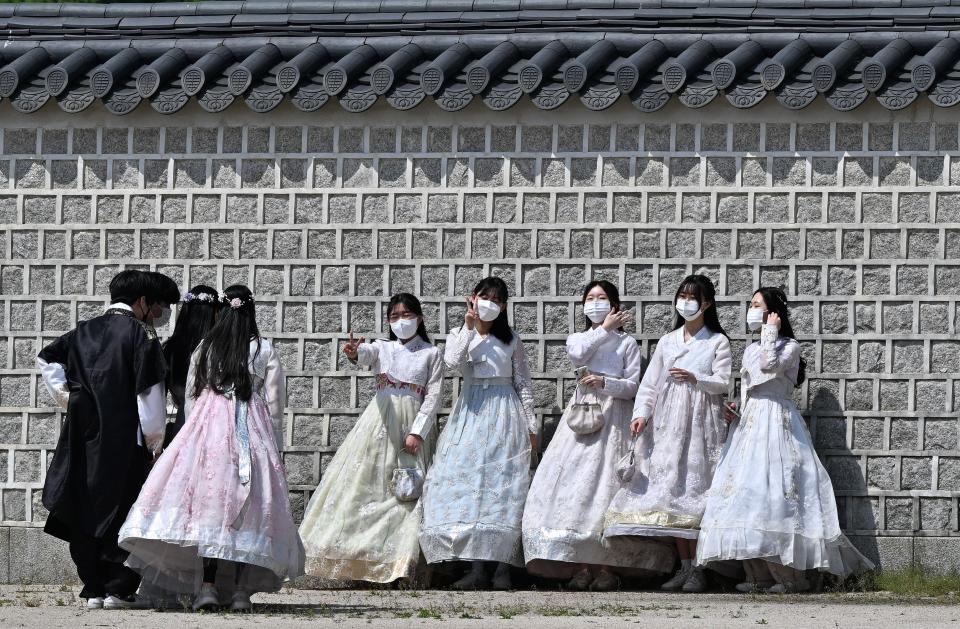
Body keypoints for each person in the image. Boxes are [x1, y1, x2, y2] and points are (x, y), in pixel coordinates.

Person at [119, 285, 304, 612]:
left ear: (224, 312)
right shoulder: (263, 349)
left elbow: (191, 396)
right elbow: (275, 405)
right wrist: (274, 448)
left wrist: (195, 435)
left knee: (210, 505)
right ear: (250, 312)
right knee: (251, 505)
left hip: (210, 429)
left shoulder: (205, 346)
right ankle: (241, 593)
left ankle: (206, 586)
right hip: (252, 428)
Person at [696, 287, 874, 592]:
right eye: (749, 304)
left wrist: (771, 332)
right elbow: (751, 384)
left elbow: (770, 366)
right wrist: (735, 407)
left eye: (756, 305)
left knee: (778, 492)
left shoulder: (790, 346)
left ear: (773, 313)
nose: (750, 310)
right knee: (748, 494)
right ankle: (758, 574)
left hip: (777, 421)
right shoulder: (750, 349)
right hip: (750, 425)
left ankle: (791, 577)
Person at [36, 269, 178, 610]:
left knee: (85, 505)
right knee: (125, 509)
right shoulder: (141, 336)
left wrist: (71, 398)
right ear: (142, 302)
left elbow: (46, 358)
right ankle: (119, 588)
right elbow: (149, 397)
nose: (159, 314)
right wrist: (155, 443)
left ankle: (93, 588)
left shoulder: (84, 330)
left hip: (82, 438)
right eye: (156, 305)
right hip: (124, 441)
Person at [523, 280, 675, 591]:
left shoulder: (627, 344)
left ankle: (606, 566)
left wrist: (605, 382)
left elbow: (633, 385)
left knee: (608, 487)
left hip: (614, 418)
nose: (595, 302)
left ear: (614, 304)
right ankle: (580, 565)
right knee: (575, 486)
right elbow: (578, 355)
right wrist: (603, 329)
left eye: (602, 298)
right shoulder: (581, 337)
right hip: (581, 416)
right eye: (590, 298)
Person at [299, 293, 444, 584]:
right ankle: (361, 562)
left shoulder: (431, 353)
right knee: (366, 487)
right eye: (394, 317)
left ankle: (401, 564)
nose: (400, 321)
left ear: (419, 318)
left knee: (406, 493)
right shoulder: (382, 348)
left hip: (412, 424)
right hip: (379, 422)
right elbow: (365, 355)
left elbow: (434, 397)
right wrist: (354, 352)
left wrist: (418, 431)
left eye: (405, 315)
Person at [603, 274, 731, 593]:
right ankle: (684, 567)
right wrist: (641, 415)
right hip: (668, 423)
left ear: (707, 304)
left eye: (693, 297)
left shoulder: (717, 341)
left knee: (696, 488)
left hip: (702, 423)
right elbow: (650, 384)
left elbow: (723, 382)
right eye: (682, 295)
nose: (686, 302)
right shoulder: (668, 340)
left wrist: (695, 377)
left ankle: (700, 568)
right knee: (672, 490)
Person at [419, 277, 537, 590]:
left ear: (504, 307)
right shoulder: (461, 333)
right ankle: (475, 568)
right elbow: (451, 363)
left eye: (497, 300)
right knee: (470, 485)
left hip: (504, 413)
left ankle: (502, 569)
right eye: (485, 296)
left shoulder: (511, 339)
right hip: (470, 411)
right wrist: (469, 327)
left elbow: (523, 383)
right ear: (473, 298)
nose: (490, 304)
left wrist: (531, 425)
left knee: (503, 489)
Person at [161, 285, 221, 446]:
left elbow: (160, 395)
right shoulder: (219, 349)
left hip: (182, 422)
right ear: (215, 313)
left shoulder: (170, 348)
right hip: (216, 424)